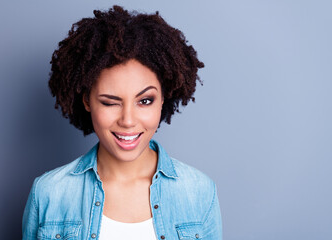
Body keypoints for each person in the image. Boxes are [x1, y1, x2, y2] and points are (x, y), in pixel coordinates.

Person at [22, 5, 222, 240]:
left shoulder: (198, 192)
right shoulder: (48, 194)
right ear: (87, 101)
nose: (128, 120)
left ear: (163, 99)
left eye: (145, 100)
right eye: (110, 102)